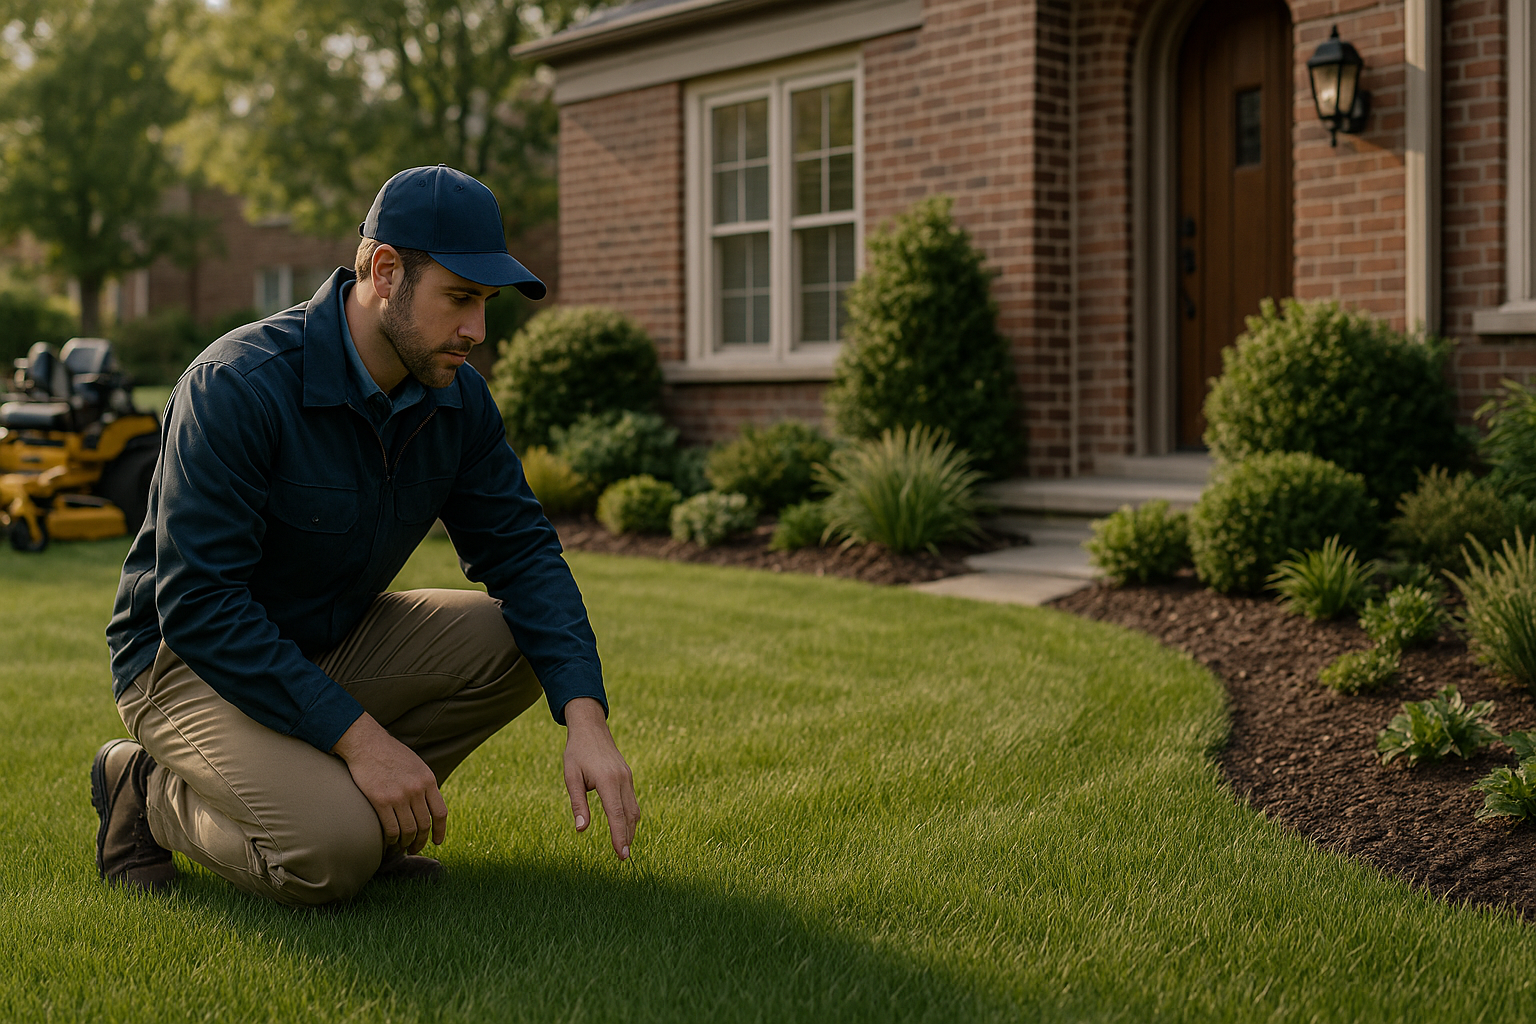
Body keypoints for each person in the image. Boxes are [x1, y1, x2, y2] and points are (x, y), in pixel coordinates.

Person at [92, 165, 640, 906]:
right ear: (386, 271)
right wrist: (363, 741)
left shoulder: (456, 398)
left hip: (325, 640)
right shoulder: (238, 385)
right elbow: (198, 606)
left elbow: (524, 552)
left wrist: (587, 717)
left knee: (521, 642)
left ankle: (363, 814)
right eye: (461, 298)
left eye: (487, 304)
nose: (478, 330)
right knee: (327, 854)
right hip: (184, 660)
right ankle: (147, 791)